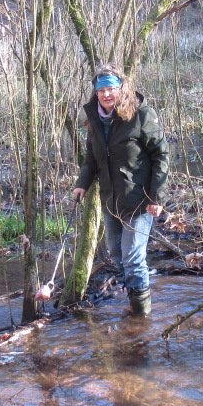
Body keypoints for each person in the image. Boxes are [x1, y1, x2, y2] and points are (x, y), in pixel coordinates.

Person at [72, 63, 169, 315]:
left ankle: (141, 318)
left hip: (140, 200)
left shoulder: (141, 115)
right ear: (96, 93)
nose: (106, 95)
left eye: (111, 89)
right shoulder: (94, 119)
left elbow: (161, 155)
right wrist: (82, 183)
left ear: (121, 89)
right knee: (117, 254)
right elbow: (91, 158)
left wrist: (156, 197)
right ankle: (135, 302)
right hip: (110, 199)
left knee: (133, 259)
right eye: (101, 90)